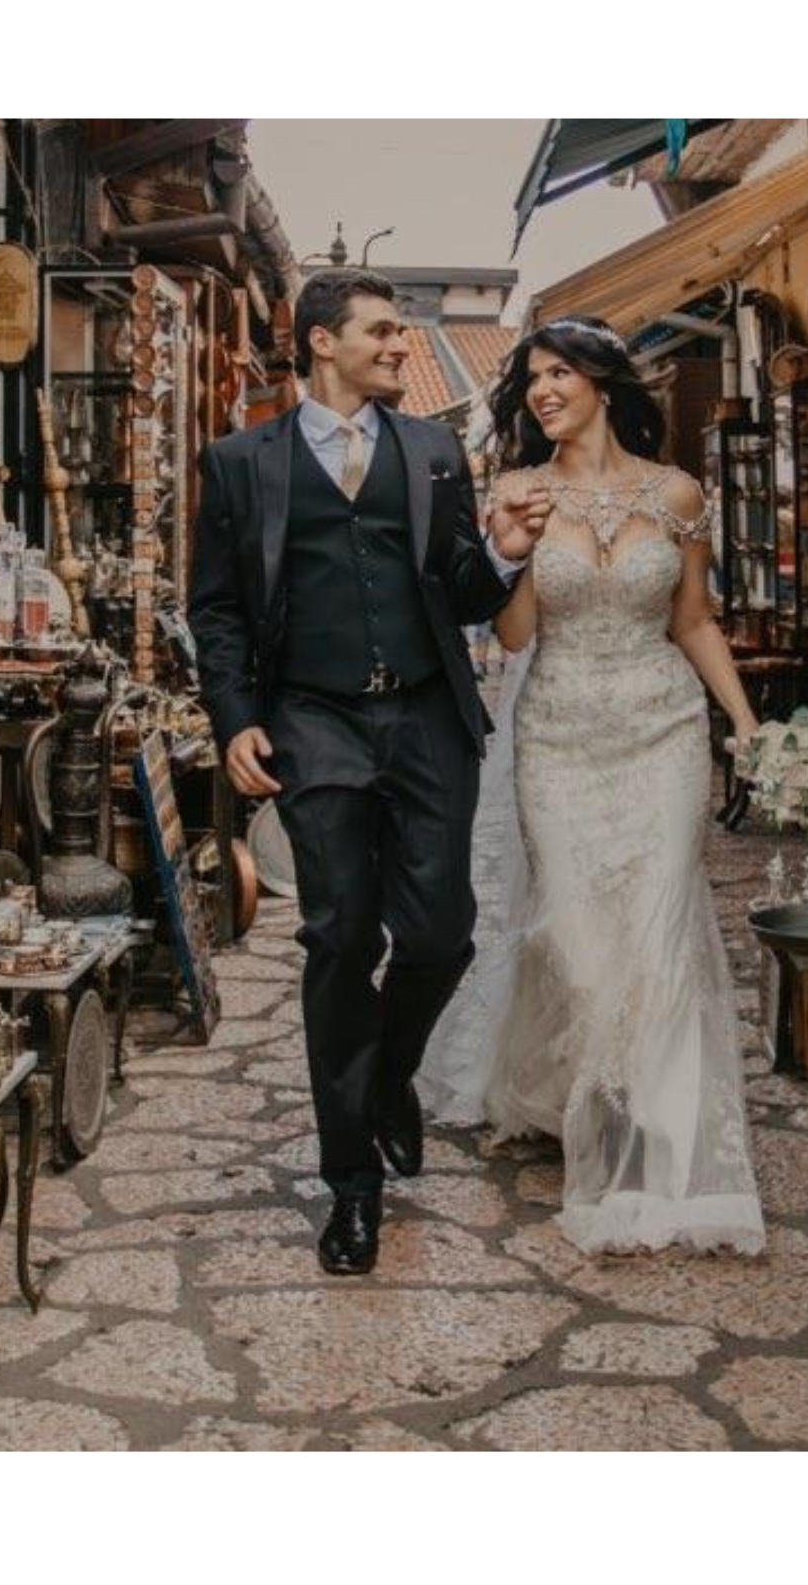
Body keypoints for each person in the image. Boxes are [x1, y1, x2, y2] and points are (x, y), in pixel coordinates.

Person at [187, 269, 536, 1275]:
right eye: (380, 331)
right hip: (312, 719)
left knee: (439, 931)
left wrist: (503, 554)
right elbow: (214, 609)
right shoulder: (239, 462)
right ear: (317, 343)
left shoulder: (431, 453)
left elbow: (462, 586)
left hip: (426, 714)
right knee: (339, 937)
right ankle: (350, 1183)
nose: (398, 345)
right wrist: (235, 720)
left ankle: (388, 1074)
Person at [431, 313, 766, 1255]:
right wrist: (509, 549)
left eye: (560, 373)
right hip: (562, 735)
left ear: (604, 383)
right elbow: (515, 638)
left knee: (660, 928)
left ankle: (653, 1145)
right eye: (532, 378)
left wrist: (743, 722)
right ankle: (589, 1091)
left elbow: (693, 620)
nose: (542, 391)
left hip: (662, 733)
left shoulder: (678, 494)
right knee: (578, 936)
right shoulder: (520, 490)